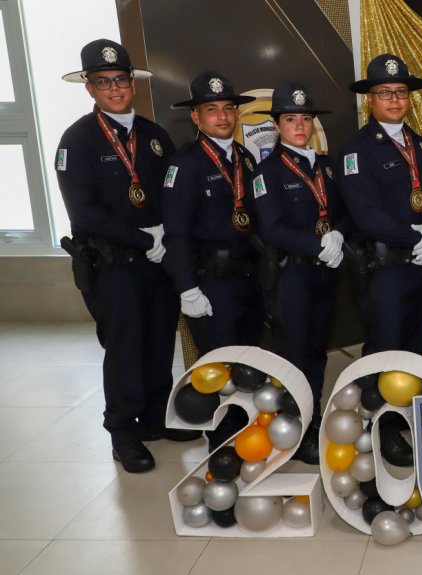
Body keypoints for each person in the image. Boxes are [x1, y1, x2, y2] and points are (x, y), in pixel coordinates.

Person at [55, 39, 197, 473]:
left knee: (159, 341)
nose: (114, 89)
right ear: (89, 88)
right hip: (114, 265)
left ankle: (155, 418)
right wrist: (142, 237)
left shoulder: (155, 137)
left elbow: (174, 195)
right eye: (103, 82)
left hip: (157, 264)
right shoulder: (77, 140)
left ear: (131, 82)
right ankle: (123, 431)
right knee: (124, 350)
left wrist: (166, 238)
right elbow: (85, 214)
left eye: (120, 80)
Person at [162, 71, 261, 452]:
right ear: (196, 117)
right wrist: (187, 287)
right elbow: (177, 234)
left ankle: (248, 436)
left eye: (228, 108)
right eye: (211, 109)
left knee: (248, 367)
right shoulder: (184, 166)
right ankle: (221, 446)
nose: (222, 117)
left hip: (248, 280)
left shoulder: (245, 159)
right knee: (219, 371)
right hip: (211, 283)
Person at [252, 82, 346, 464]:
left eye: (306, 119)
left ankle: (312, 413)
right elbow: (270, 227)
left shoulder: (326, 166)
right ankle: (295, 425)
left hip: (326, 275)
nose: (300, 126)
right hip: (292, 276)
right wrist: (315, 244)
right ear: (277, 124)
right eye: (291, 119)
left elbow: (343, 212)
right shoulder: (267, 172)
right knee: (293, 354)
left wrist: (340, 234)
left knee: (316, 352)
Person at [340, 54, 422, 357]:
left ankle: (408, 407)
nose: (394, 100)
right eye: (384, 92)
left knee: (416, 352)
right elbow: (367, 216)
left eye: (401, 92)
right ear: (370, 99)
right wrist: (419, 236)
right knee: (385, 356)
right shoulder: (358, 150)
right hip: (385, 272)